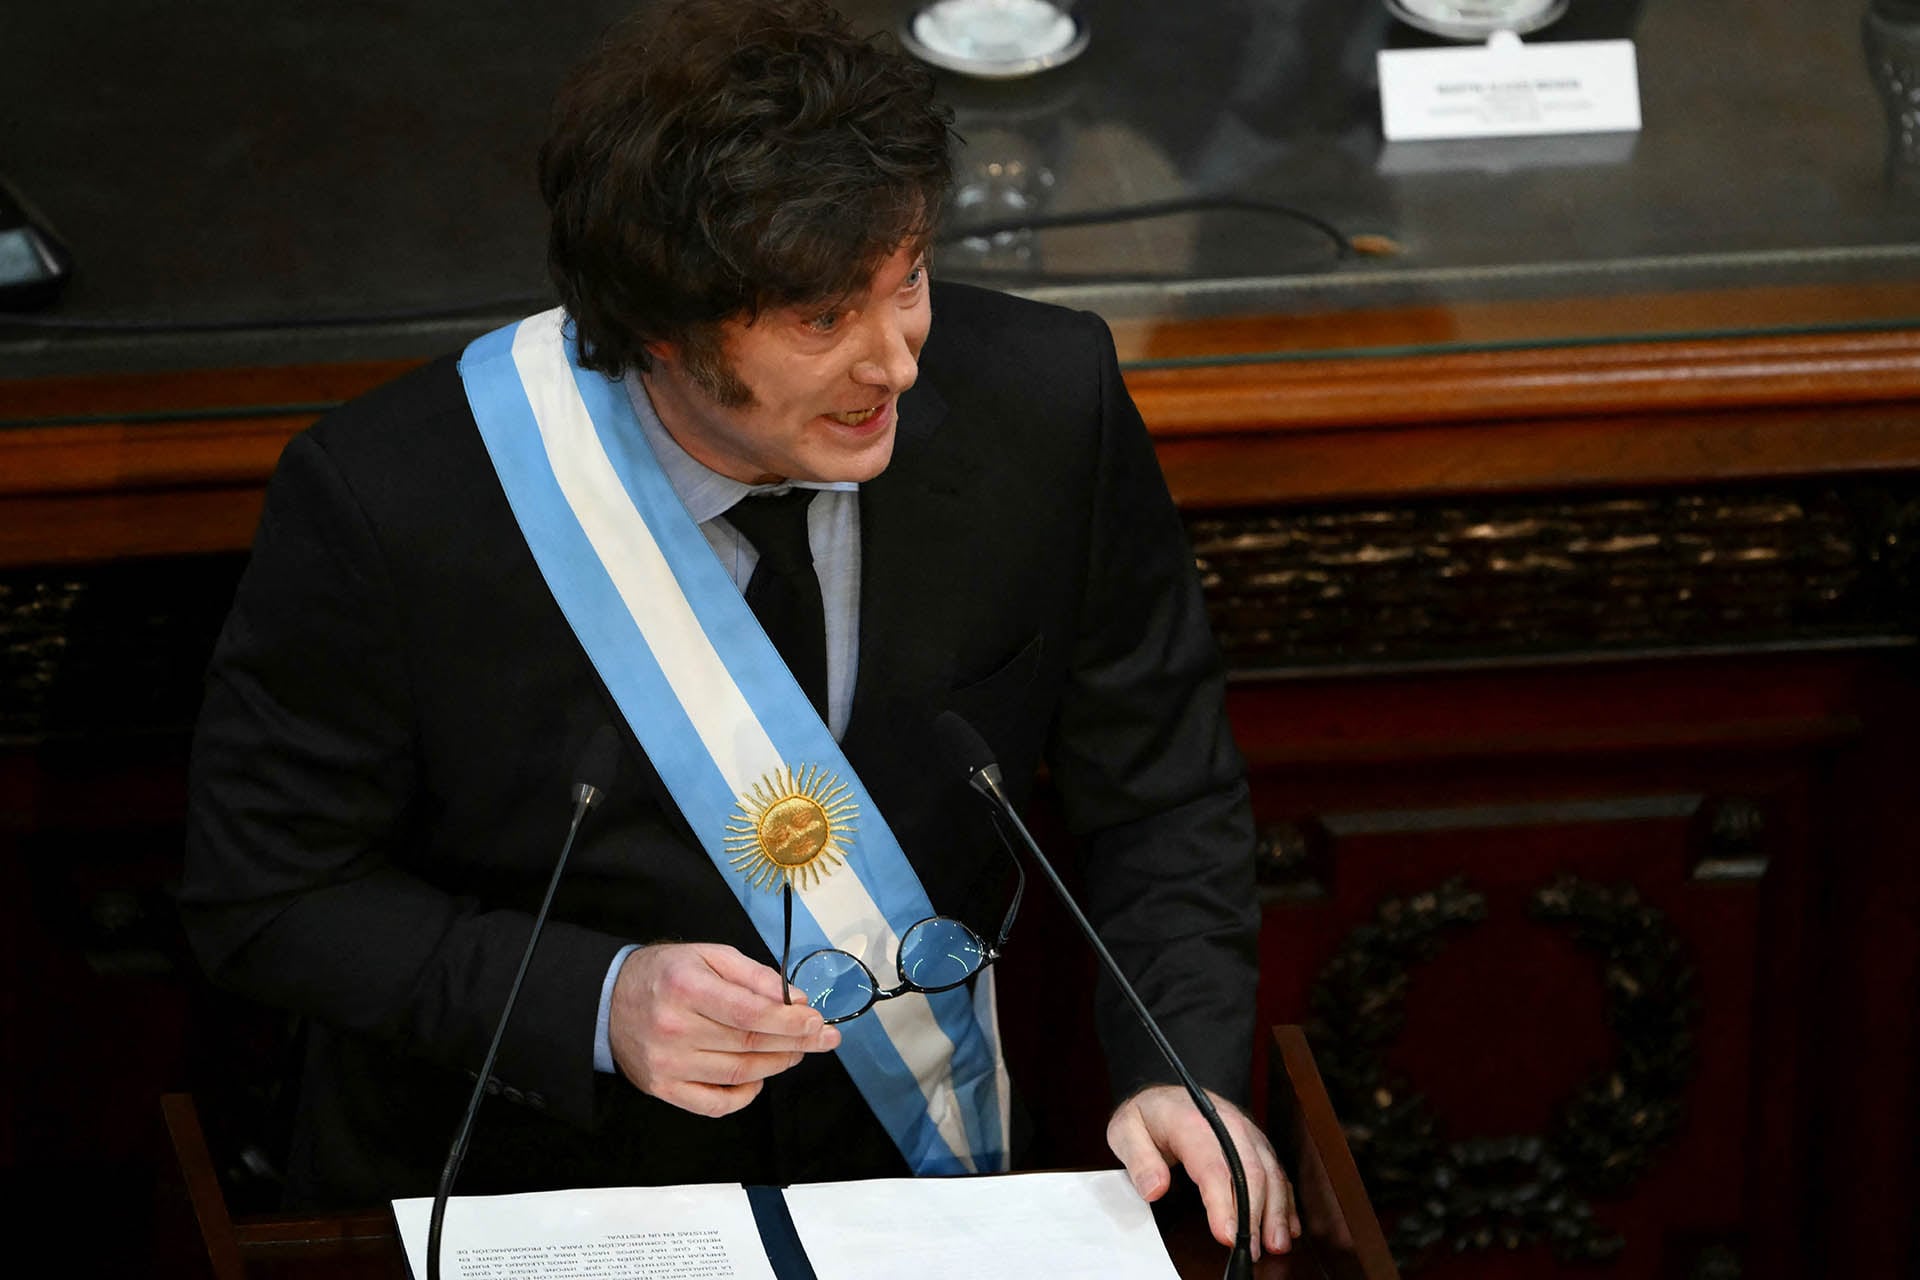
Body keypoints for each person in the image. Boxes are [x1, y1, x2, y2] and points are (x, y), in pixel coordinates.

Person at [179, 0, 1295, 1258]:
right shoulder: (391, 502)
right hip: (546, 1189)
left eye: (909, 279)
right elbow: (269, 892)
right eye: (824, 320)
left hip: (921, 1180)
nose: (900, 363)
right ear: (661, 329)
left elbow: (1163, 788)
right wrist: (595, 1000)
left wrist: (1178, 1063)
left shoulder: (1045, 399)